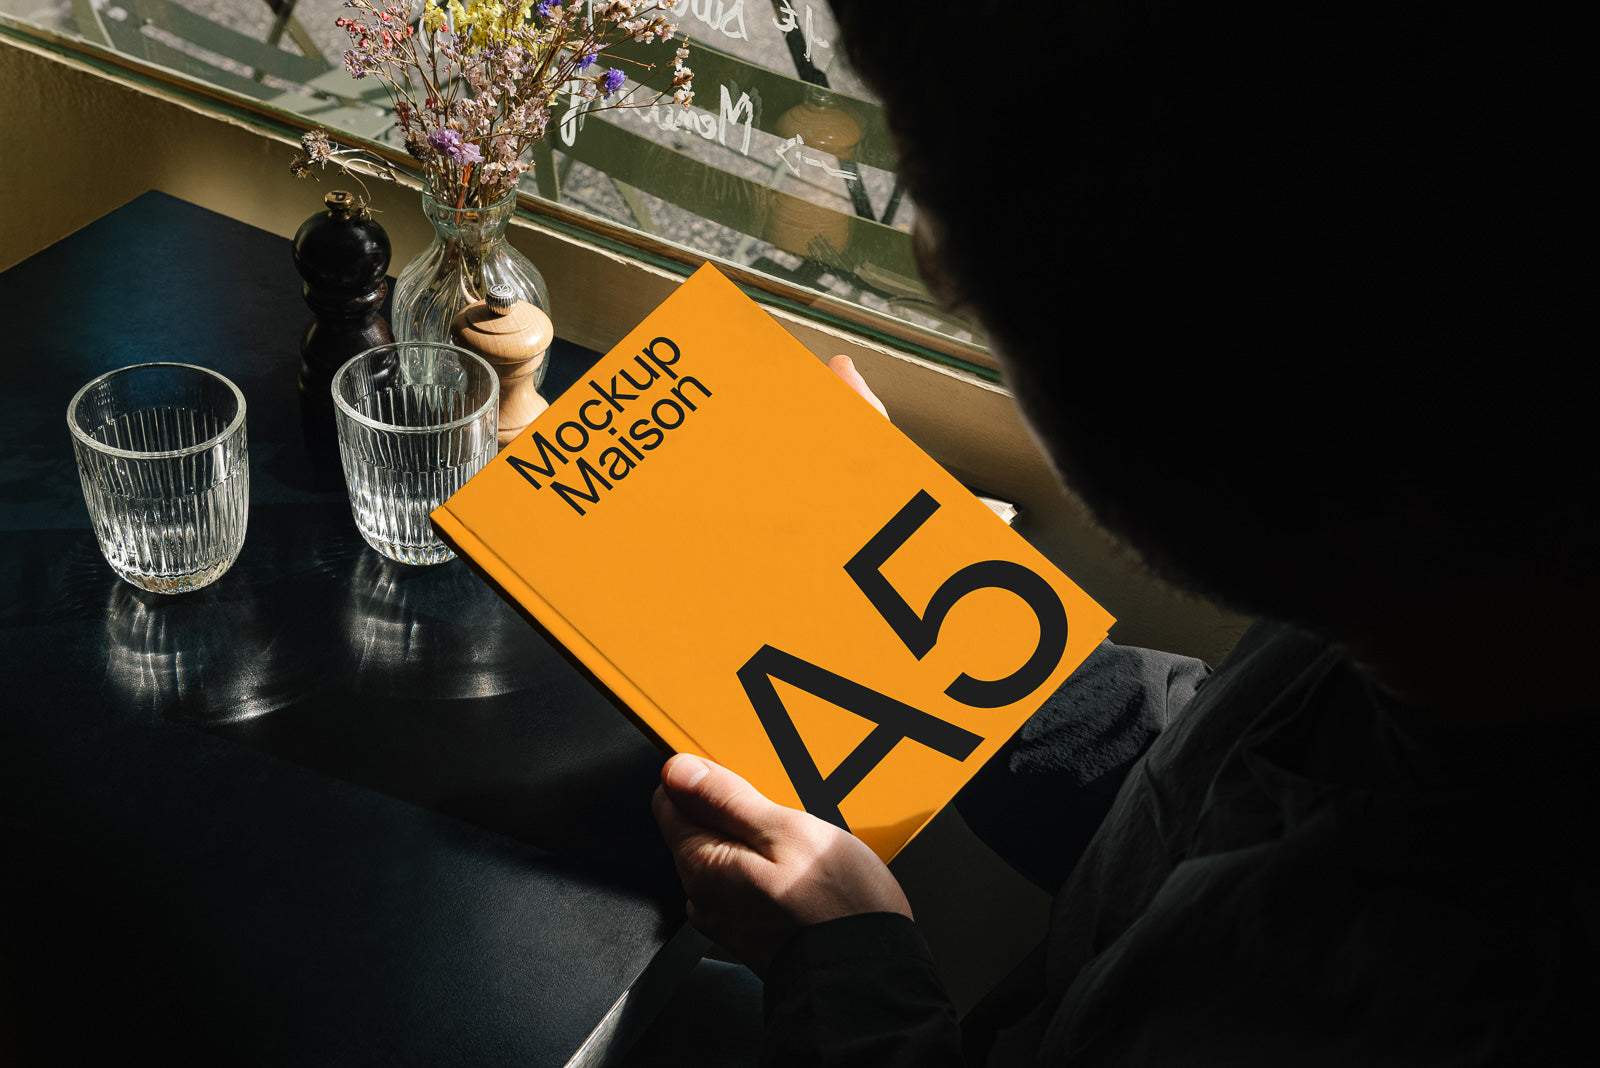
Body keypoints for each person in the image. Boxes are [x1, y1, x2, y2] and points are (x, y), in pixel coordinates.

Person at [652, 2, 1595, 1063]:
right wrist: (941, 601)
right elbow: (1217, 800)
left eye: (953, 239)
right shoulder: (1436, 597)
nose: (934, 265)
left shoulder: (1472, 998)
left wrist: (845, 976)